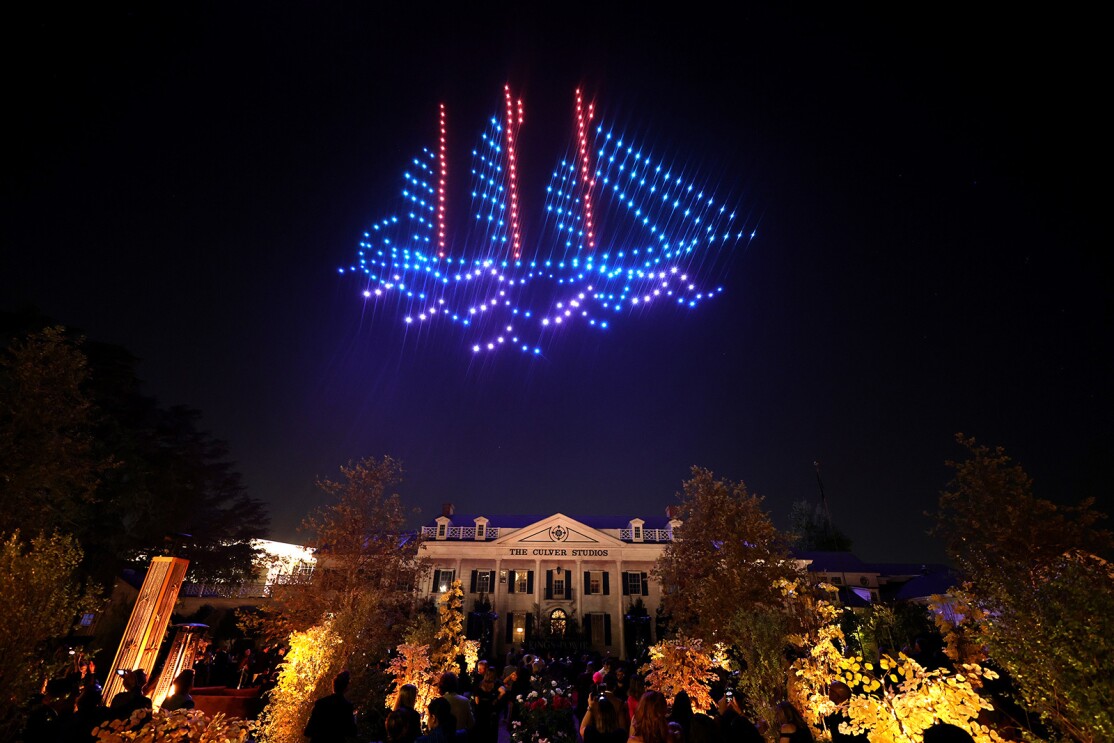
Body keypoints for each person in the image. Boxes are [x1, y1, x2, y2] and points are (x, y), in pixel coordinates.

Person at [303, 670, 358, 743]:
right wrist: (354, 718)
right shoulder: (346, 706)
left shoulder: (320, 703)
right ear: (346, 687)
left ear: (333, 685)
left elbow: (308, 732)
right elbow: (352, 732)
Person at [470, 666, 505, 743]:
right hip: (491, 709)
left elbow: (477, 700)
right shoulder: (496, 684)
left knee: (482, 731)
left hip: (481, 710)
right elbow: (503, 691)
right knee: (491, 731)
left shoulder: (480, 684)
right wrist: (496, 699)